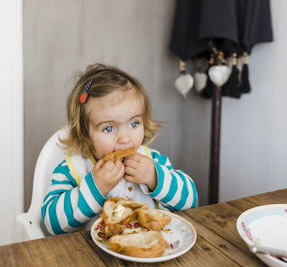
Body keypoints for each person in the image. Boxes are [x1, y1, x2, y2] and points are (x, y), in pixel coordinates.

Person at [42, 63, 198, 235]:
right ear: (85, 134)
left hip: (151, 250)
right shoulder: (72, 169)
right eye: (109, 128)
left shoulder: (153, 161)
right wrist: (96, 187)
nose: (125, 139)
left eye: (134, 123)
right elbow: (52, 224)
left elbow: (191, 201)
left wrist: (154, 178)